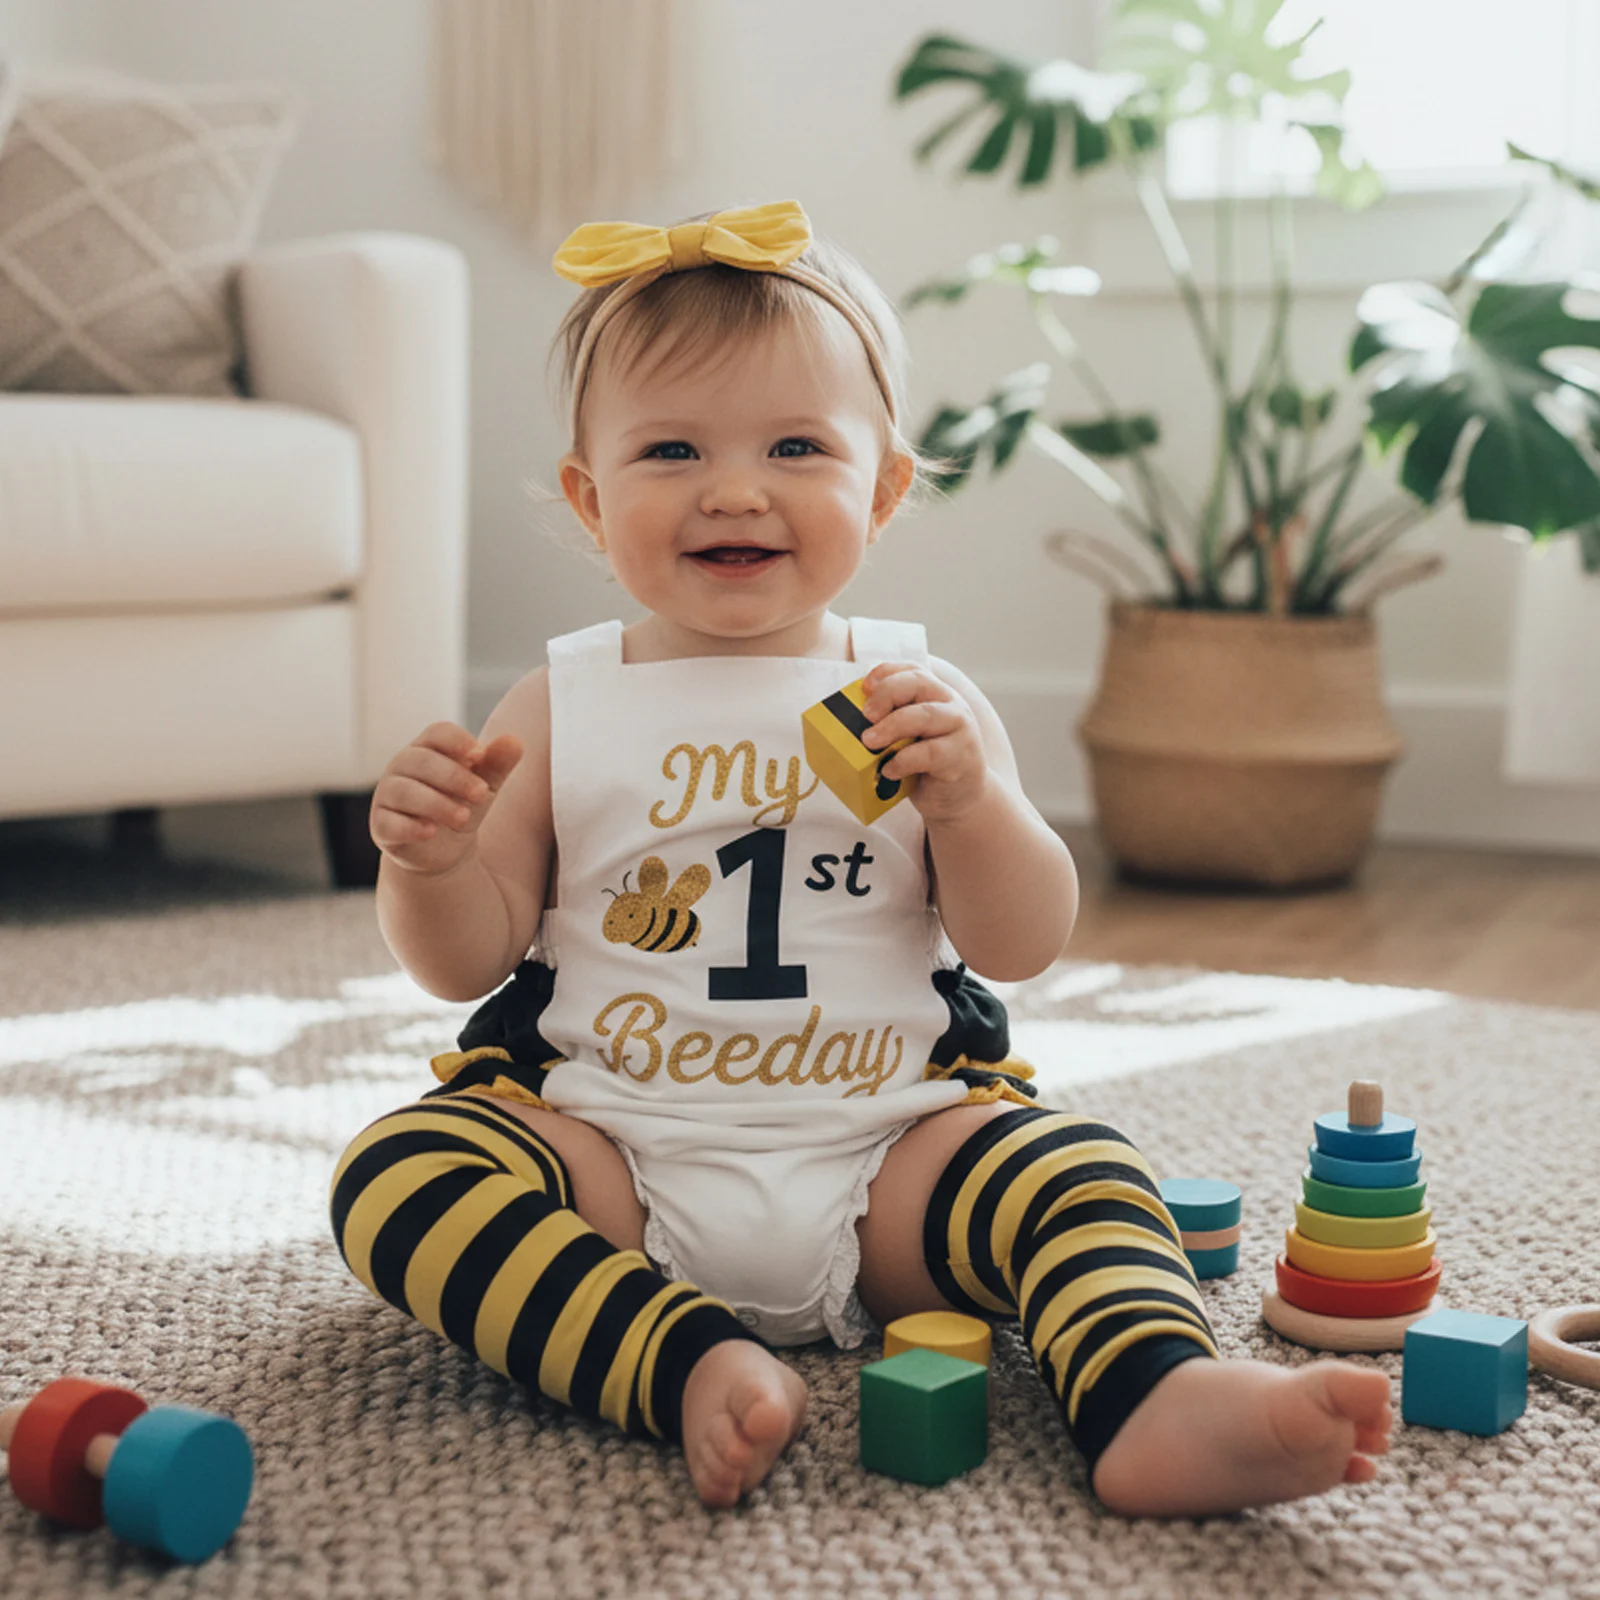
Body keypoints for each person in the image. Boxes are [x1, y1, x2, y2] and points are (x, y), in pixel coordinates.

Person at [329, 201, 1392, 1515]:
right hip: (614, 1154)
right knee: (398, 1177)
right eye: (671, 449)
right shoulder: (559, 702)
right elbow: (469, 957)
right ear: (591, 500)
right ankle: (675, 1359)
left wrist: (972, 807)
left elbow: (1021, 941)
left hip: (891, 1164)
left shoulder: (910, 692)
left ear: (881, 488)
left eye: (794, 445)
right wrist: (430, 866)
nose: (733, 487)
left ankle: (1152, 1396)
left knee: (1080, 1172)